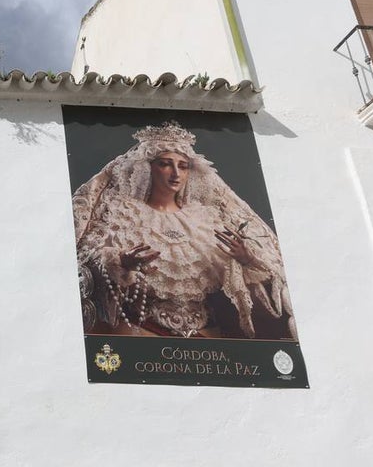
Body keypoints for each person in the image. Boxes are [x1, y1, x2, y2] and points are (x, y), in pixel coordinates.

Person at [72, 122, 296, 339]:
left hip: (206, 334)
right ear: (146, 168)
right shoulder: (125, 214)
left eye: (183, 165)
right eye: (165, 164)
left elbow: (240, 292)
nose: (175, 173)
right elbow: (89, 270)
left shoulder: (206, 220)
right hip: (142, 331)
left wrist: (245, 260)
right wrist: (121, 264)